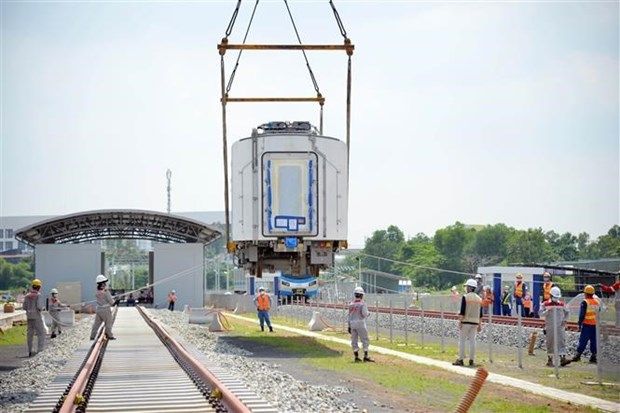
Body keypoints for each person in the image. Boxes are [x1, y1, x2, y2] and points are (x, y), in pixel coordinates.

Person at [453, 279, 483, 367]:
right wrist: (480, 324)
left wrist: (460, 321)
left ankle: (461, 359)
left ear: (469, 287)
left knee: (462, 341)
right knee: (473, 341)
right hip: (475, 323)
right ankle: (472, 360)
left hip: (466, 322)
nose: (466, 288)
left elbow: (462, 311)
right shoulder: (479, 299)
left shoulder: (465, 297)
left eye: (467, 287)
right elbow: (480, 314)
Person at [568, 285, 600, 364]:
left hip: (587, 325)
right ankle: (593, 356)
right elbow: (598, 312)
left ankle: (578, 355)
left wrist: (579, 323)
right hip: (595, 325)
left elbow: (582, 315)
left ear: (585, 293)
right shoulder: (597, 302)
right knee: (594, 341)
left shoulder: (585, 302)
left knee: (583, 340)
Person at [540, 286, 569, 367]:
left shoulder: (562, 304)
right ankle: (550, 360)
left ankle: (563, 358)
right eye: (555, 297)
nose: (556, 298)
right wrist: (547, 311)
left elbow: (567, 312)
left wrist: (565, 320)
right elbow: (540, 313)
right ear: (551, 295)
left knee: (561, 342)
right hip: (550, 327)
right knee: (550, 342)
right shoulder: (545, 304)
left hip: (560, 327)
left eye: (557, 297)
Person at [348, 286, 373, 362]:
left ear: (355, 295)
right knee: (364, 339)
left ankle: (356, 357)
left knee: (354, 340)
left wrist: (349, 326)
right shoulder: (362, 304)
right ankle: (366, 356)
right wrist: (368, 313)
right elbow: (364, 314)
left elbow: (349, 316)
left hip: (352, 324)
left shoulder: (351, 304)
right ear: (362, 295)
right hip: (360, 323)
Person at [23, 279, 46, 357]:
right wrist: (42, 308)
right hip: (37, 316)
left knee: (30, 334)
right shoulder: (38, 295)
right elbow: (39, 307)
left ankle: (30, 350)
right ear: (39, 287)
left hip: (29, 317)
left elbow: (24, 307)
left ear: (32, 286)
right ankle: (40, 350)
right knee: (41, 333)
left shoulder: (27, 296)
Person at [90, 274, 116, 340]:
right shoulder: (106, 292)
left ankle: (92, 336)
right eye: (104, 283)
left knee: (96, 324)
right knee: (108, 322)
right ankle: (109, 335)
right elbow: (111, 302)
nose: (105, 284)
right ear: (102, 283)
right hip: (105, 310)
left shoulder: (97, 291)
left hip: (99, 309)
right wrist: (116, 302)